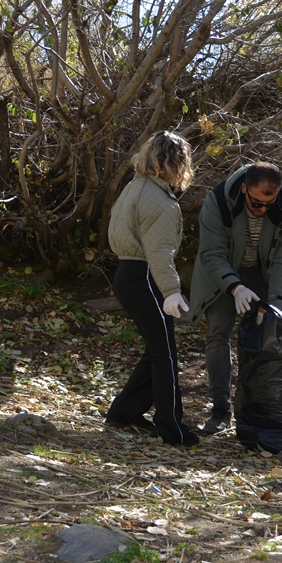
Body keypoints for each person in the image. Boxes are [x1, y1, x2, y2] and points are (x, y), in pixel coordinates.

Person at [183, 162, 282, 435]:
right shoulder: (218, 201)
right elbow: (211, 254)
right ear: (244, 188)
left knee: (264, 338)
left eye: (269, 204)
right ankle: (220, 409)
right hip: (223, 273)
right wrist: (235, 288)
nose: (263, 210)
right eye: (257, 203)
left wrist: (276, 310)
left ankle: (253, 409)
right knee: (217, 334)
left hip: (262, 273)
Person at [104, 130, 201, 447]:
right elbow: (158, 253)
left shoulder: (134, 188)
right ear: (176, 164)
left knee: (157, 351)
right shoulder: (159, 201)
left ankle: (123, 412)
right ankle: (172, 428)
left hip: (128, 275)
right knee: (165, 355)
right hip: (144, 276)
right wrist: (172, 290)